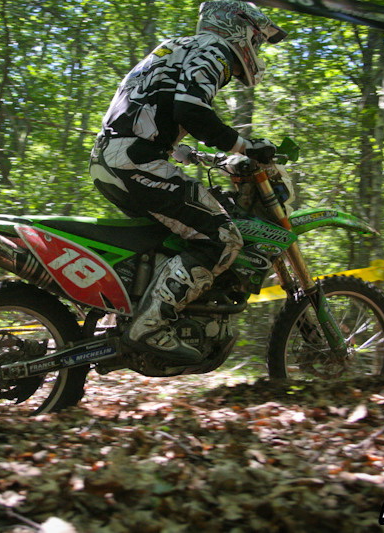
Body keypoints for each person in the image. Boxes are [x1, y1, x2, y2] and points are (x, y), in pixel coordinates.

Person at [89, 1, 287, 363]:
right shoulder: (214, 50)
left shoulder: (176, 47)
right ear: (240, 28)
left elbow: (155, 108)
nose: (256, 51)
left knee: (178, 232)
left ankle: (138, 308)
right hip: (135, 162)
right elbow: (190, 110)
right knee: (222, 237)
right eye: (257, 42)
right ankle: (149, 326)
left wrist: (192, 154)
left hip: (113, 158)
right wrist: (246, 146)